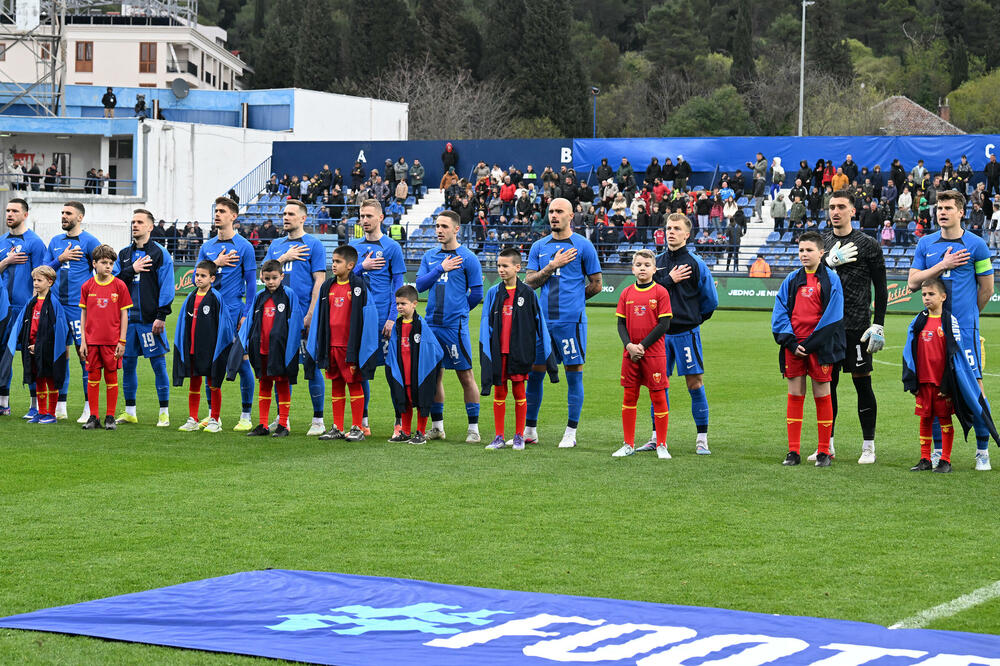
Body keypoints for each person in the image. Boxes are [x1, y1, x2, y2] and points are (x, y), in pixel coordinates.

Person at [908, 190, 995, 470]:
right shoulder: (926, 244)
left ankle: (983, 451)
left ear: (961, 212)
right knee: (933, 392)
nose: (942, 212)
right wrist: (943, 264)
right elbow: (912, 282)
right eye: (939, 208)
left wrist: (966, 319)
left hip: (964, 332)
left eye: (948, 208)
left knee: (974, 392)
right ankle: (936, 452)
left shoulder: (977, 245)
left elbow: (987, 288)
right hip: (933, 333)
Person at [524, 198, 603, 448]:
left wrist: (576, 300)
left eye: (559, 211)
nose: (554, 216)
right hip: (543, 323)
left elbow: (596, 284)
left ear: (571, 215)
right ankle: (530, 429)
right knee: (534, 375)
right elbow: (529, 283)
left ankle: (570, 432)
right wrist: (552, 266)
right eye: (551, 212)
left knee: (574, 376)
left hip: (571, 323)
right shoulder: (539, 246)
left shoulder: (584, 246)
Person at [819, 191, 888, 464]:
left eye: (841, 207)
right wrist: (827, 262)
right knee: (827, 385)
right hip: (828, 327)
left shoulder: (868, 244)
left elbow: (881, 289)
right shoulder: (821, 241)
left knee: (862, 384)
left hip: (858, 326)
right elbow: (809, 278)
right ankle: (828, 445)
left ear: (852, 211)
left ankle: (868, 446)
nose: (835, 211)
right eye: (831, 207)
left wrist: (878, 324)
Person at [903, 277, 999, 473]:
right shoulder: (918, 320)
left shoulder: (949, 321)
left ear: (943, 297)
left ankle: (945, 460)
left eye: (931, 294)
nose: (927, 298)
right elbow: (909, 350)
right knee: (925, 419)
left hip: (942, 383)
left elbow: (955, 355)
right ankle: (925, 458)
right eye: (924, 295)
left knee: (945, 419)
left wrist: (948, 383)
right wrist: (911, 379)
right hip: (923, 382)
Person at [772, 231, 845, 467]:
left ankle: (824, 451)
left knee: (822, 395)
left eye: (809, 250)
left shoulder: (831, 279)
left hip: (820, 347)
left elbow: (834, 317)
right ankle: (793, 451)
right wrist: (792, 343)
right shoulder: (791, 279)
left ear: (821, 253)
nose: (804, 254)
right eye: (801, 250)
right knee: (795, 395)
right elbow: (780, 313)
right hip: (793, 347)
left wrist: (810, 344)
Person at [648, 213, 718, 454]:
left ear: (687, 234)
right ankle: (657, 437)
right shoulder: (655, 262)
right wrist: (669, 279)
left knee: (694, 383)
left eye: (677, 228)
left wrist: (692, 320)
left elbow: (710, 301)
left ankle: (702, 439)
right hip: (659, 336)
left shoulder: (696, 263)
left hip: (686, 333)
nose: (671, 232)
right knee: (657, 385)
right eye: (668, 228)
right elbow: (646, 295)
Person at [414, 211, 484, 443]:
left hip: (454, 326)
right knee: (434, 376)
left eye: (444, 226)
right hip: (431, 325)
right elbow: (420, 286)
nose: (439, 230)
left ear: (456, 229)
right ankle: (437, 427)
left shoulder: (468, 258)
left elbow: (477, 294)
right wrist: (440, 269)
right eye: (436, 226)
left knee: (465, 375)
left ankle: (473, 429)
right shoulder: (430, 257)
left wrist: (460, 311)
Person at [193, 197, 258, 430]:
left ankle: (246, 416)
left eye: (222, 211)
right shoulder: (207, 247)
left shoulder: (244, 247)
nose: (217, 214)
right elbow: (195, 279)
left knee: (241, 362)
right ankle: (213, 416)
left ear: (233, 216)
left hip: (233, 312)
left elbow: (252, 285)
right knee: (209, 364)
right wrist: (215, 262)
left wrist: (247, 315)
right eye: (216, 210)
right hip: (209, 314)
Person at [305, 244, 380, 441]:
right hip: (331, 346)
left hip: (350, 348)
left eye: (338, 262)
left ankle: (357, 427)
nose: (333, 265)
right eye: (333, 261)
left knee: (354, 384)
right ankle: (337, 427)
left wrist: (362, 348)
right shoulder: (327, 286)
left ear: (351, 265)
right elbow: (322, 317)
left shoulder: (358, 286)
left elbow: (368, 316)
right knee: (336, 384)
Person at [265, 199, 327, 435]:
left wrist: (311, 313)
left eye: (291, 213)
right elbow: (266, 273)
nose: (285, 217)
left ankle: (318, 420)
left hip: (303, 316)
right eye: (284, 213)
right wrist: (283, 258)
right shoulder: (276, 245)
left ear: (303, 218)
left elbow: (319, 281)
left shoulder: (314, 244)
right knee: (278, 368)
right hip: (279, 318)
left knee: (311, 366)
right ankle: (283, 419)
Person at [480, 248, 550, 451]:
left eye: (505, 266)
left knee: (519, 392)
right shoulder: (493, 292)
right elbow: (486, 324)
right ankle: (499, 437)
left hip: (519, 353)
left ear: (518, 268)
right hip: (498, 352)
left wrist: (547, 357)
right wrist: (486, 353)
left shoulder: (528, 293)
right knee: (499, 393)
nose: (501, 270)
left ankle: (519, 436)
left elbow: (540, 324)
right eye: (498, 266)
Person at [228, 259, 303, 437]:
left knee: (282, 385)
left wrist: (291, 349)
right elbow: (251, 324)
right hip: (261, 350)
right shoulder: (260, 297)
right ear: (262, 277)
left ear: (282, 277)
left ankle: (283, 424)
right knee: (265, 384)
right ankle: (262, 424)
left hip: (281, 351)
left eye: (274, 278)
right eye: (267, 278)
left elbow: (295, 322)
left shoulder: (289, 295)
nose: (270, 282)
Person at [351, 198, 406, 435]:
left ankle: (399, 421)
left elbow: (399, 284)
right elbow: (343, 275)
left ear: (380, 218)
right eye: (362, 216)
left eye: (369, 216)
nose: (364, 220)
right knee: (360, 371)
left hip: (384, 320)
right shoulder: (354, 246)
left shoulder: (392, 247)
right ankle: (363, 422)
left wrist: (393, 317)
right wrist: (362, 266)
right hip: (360, 320)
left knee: (393, 371)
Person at [114, 209, 175, 426]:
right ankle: (130, 411)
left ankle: (164, 413)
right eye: (133, 222)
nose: (135, 225)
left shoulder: (160, 254)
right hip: (128, 321)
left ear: (150, 227)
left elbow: (167, 287)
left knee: (158, 365)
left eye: (140, 222)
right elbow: (114, 283)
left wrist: (161, 315)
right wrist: (131, 269)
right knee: (128, 365)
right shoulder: (123, 255)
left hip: (150, 321)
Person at [612, 250, 673, 459]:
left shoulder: (661, 292)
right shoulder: (626, 293)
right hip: (630, 354)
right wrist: (629, 345)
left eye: (647, 265)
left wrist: (642, 346)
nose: (642, 268)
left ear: (654, 269)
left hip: (654, 354)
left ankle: (661, 444)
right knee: (630, 396)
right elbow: (620, 323)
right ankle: (628, 444)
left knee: (658, 396)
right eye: (638, 265)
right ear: (632, 269)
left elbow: (664, 324)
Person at [45, 201, 101, 422]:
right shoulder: (55, 242)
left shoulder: (89, 241)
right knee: (60, 354)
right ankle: (61, 405)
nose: (63, 216)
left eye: (68, 213)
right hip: (57, 307)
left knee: (84, 355)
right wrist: (60, 260)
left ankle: (88, 407)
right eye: (62, 213)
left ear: (80, 217)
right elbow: (43, 270)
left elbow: (108, 268)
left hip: (79, 309)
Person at [0, 198, 50, 416]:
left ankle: (35, 404)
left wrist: (35, 306)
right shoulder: (1, 241)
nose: (9, 214)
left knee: (30, 354)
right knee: (3, 355)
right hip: (3, 309)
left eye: (15, 211)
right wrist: (6, 262)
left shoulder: (35, 243)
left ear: (25, 215)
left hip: (25, 309)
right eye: (8, 210)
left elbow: (43, 275)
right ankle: (4, 403)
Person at [172, 260, 234, 433]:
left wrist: (219, 349)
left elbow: (224, 325)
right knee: (194, 382)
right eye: (196, 275)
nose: (198, 279)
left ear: (212, 278)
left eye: (202, 276)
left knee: (213, 383)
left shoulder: (216, 298)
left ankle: (215, 419)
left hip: (210, 350)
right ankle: (193, 418)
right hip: (192, 349)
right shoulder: (190, 297)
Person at [79, 244, 132, 431]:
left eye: (111, 263)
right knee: (92, 377)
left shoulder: (120, 286)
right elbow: (83, 315)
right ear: (94, 263)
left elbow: (124, 315)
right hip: (92, 342)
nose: (108, 266)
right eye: (103, 262)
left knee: (111, 377)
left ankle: (110, 416)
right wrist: (83, 341)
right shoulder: (87, 286)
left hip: (112, 342)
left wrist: (122, 340)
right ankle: (93, 417)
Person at [6, 266, 67, 424]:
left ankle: (52, 414)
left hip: (48, 350)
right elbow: (23, 324)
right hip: (32, 348)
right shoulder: (31, 302)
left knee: (50, 380)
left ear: (50, 282)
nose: (35, 283)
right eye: (34, 280)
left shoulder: (54, 303)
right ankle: (42, 412)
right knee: (38, 378)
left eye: (39, 280)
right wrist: (26, 343)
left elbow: (58, 331)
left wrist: (40, 346)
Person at [385, 285, 444, 445]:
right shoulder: (397, 325)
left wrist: (428, 368)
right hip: (402, 370)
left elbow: (436, 350)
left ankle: (420, 432)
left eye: (403, 304)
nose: (399, 307)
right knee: (404, 399)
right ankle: (405, 431)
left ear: (414, 304)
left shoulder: (420, 325)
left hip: (418, 372)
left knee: (420, 399)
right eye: (397, 304)